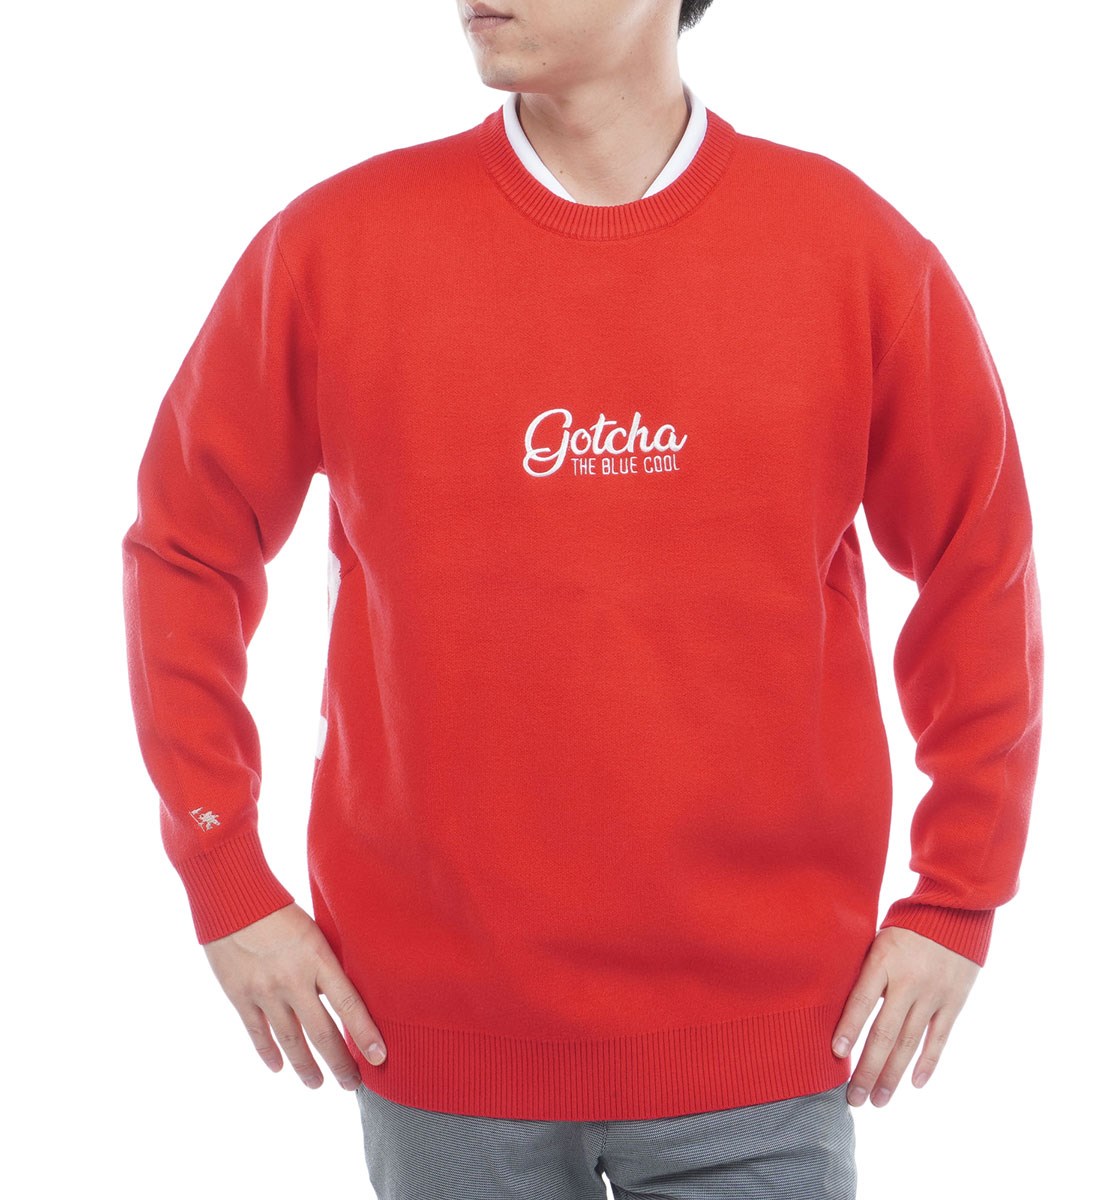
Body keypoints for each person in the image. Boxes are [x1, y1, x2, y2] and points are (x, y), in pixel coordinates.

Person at [120, 1, 1044, 1196]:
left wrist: (958, 897)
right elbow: (186, 549)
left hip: (765, 1046)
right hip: (437, 1049)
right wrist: (224, 876)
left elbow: (981, 563)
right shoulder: (337, 246)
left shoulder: (848, 249)